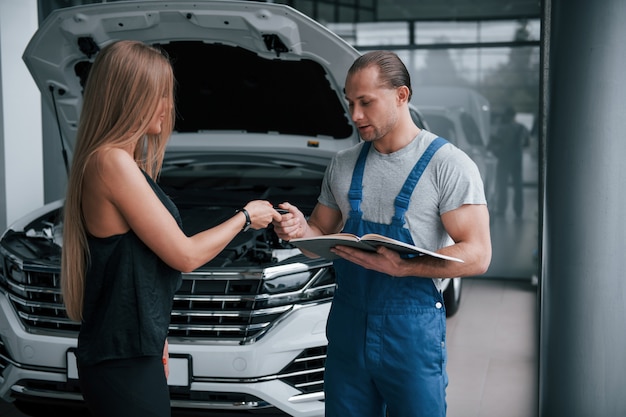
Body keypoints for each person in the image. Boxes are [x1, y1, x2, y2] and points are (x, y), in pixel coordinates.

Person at [60, 40, 282, 417]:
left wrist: (156, 335)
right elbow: (185, 255)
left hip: (132, 349)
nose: (168, 106)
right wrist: (245, 218)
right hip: (121, 358)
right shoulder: (111, 162)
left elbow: (138, 266)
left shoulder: (121, 163)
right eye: (159, 94)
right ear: (131, 98)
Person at [272, 51, 491, 417]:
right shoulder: (342, 164)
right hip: (347, 329)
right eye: (350, 102)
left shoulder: (448, 165)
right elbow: (319, 237)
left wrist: (406, 268)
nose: (355, 115)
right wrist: (298, 230)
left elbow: (479, 255)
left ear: (401, 95)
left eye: (366, 102)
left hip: (410, 332)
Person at [489, 105, 529, 218]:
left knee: (502, 185)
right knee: (518, 185)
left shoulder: (502, 129)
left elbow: (495, 142)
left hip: (504, 158)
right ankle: (518, 210)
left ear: (506, 115)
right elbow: (527, 143)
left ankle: (501, 209)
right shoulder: (521, 127)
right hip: (517, 158)